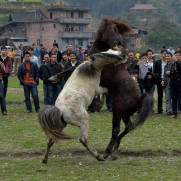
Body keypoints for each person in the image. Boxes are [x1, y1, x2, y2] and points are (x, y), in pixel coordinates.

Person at [154, 50, 167, 114]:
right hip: (159, 80)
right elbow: (155, 71)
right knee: (160, 95)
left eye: (164, 54)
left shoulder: (169, 62)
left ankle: (168, 109)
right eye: (162, 54)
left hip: (167, 80)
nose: (163, 55)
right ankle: (159, 110)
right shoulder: (158, 62)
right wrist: (158, 77)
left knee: (168, 95)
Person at [169, 51, 181, 119]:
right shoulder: (173, 64)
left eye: (178, 55)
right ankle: (174, 113)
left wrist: (177, 62)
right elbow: (173, 74)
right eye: (176, 55)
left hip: (180, 85)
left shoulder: (178, 63)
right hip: (173, 84)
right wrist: (169, 73)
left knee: (180, 99)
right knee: (173, 100)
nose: (177, 57)